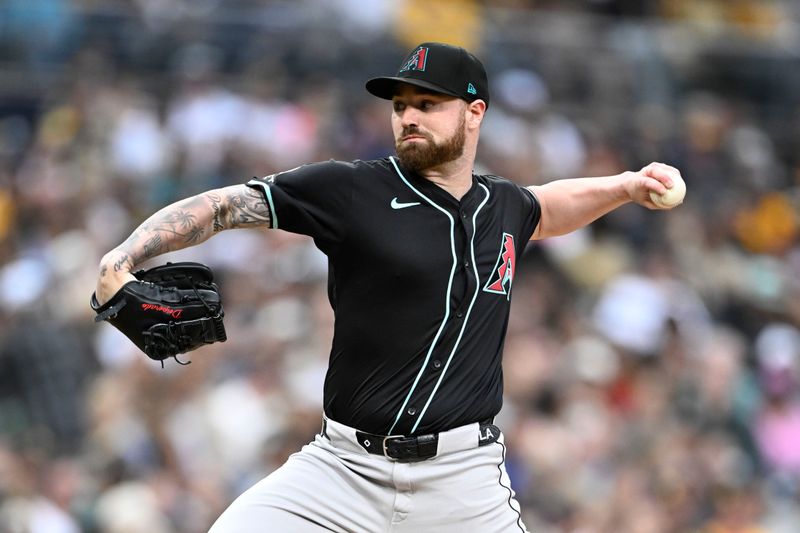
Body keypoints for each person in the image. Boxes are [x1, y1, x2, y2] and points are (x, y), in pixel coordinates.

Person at [94, 42, 684, 532]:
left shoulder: (501, 206)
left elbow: (549, 207)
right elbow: (224, 207)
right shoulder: (352, 190)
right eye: (401, 105)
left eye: (428, 103)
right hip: (342, 470)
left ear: (474, 113)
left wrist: (626, 185)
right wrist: (126, 253)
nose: (408, 117)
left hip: (462, 481)